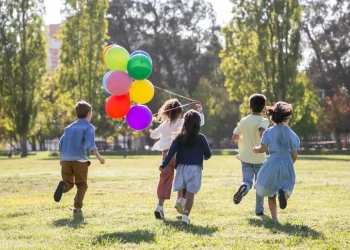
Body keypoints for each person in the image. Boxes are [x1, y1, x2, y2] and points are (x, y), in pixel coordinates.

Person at [150, 99, 204, 219]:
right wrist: (199, 111)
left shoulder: (164, 125)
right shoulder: (182, 122)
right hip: (180, 154)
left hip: (166, 156)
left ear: (167, 112)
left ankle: (159, 206)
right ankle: (180, 199)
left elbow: (152, 135)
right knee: (184, 178)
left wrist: (163, 131)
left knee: (164, 180)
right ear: (179, 112)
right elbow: (199, 123)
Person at [160, 110, 212, 225]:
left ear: (185, 123)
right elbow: (208, 154)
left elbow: (170, 153)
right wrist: (203, 157)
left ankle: (180, 200)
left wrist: (163, 165)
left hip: (181, 168)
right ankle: (185, 215)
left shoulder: (179, 138)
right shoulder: (201, 138)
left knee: (182, 188)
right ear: (198, 124)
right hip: (195, 168)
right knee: (190, 194)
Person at [54, 100, 105, 215]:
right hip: (80, 160)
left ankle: (63, 187)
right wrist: (99, 158)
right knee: (81, 185)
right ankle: (77, 209)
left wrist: (61, 160)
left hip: (65, 160)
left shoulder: (69, 128)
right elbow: (91, 145)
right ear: (88, 113)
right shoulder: (88, 127)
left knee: (69, 183)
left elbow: (61, 144)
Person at [253, 101, 300, 222]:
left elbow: (263, 149)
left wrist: (256, 149)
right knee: (287, 187)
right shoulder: (292, 134)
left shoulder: (268, 132)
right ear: (287, 117)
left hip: (272, 162)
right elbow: (294, 154)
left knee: (270, 192)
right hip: (287, 163)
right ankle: (283, 195)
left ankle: (275, 219)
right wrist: (290, 163)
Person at [232, 94, 269, 216]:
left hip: (245, 157)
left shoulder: (244, 121)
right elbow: (262, 132)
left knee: (247, 181)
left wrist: (243, 137)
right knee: (260, 185)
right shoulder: (264, 120)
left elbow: (234, 137)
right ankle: (259, 210)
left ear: (250, 107)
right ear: (264, 108)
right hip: (259, 157)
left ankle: (244, 187)